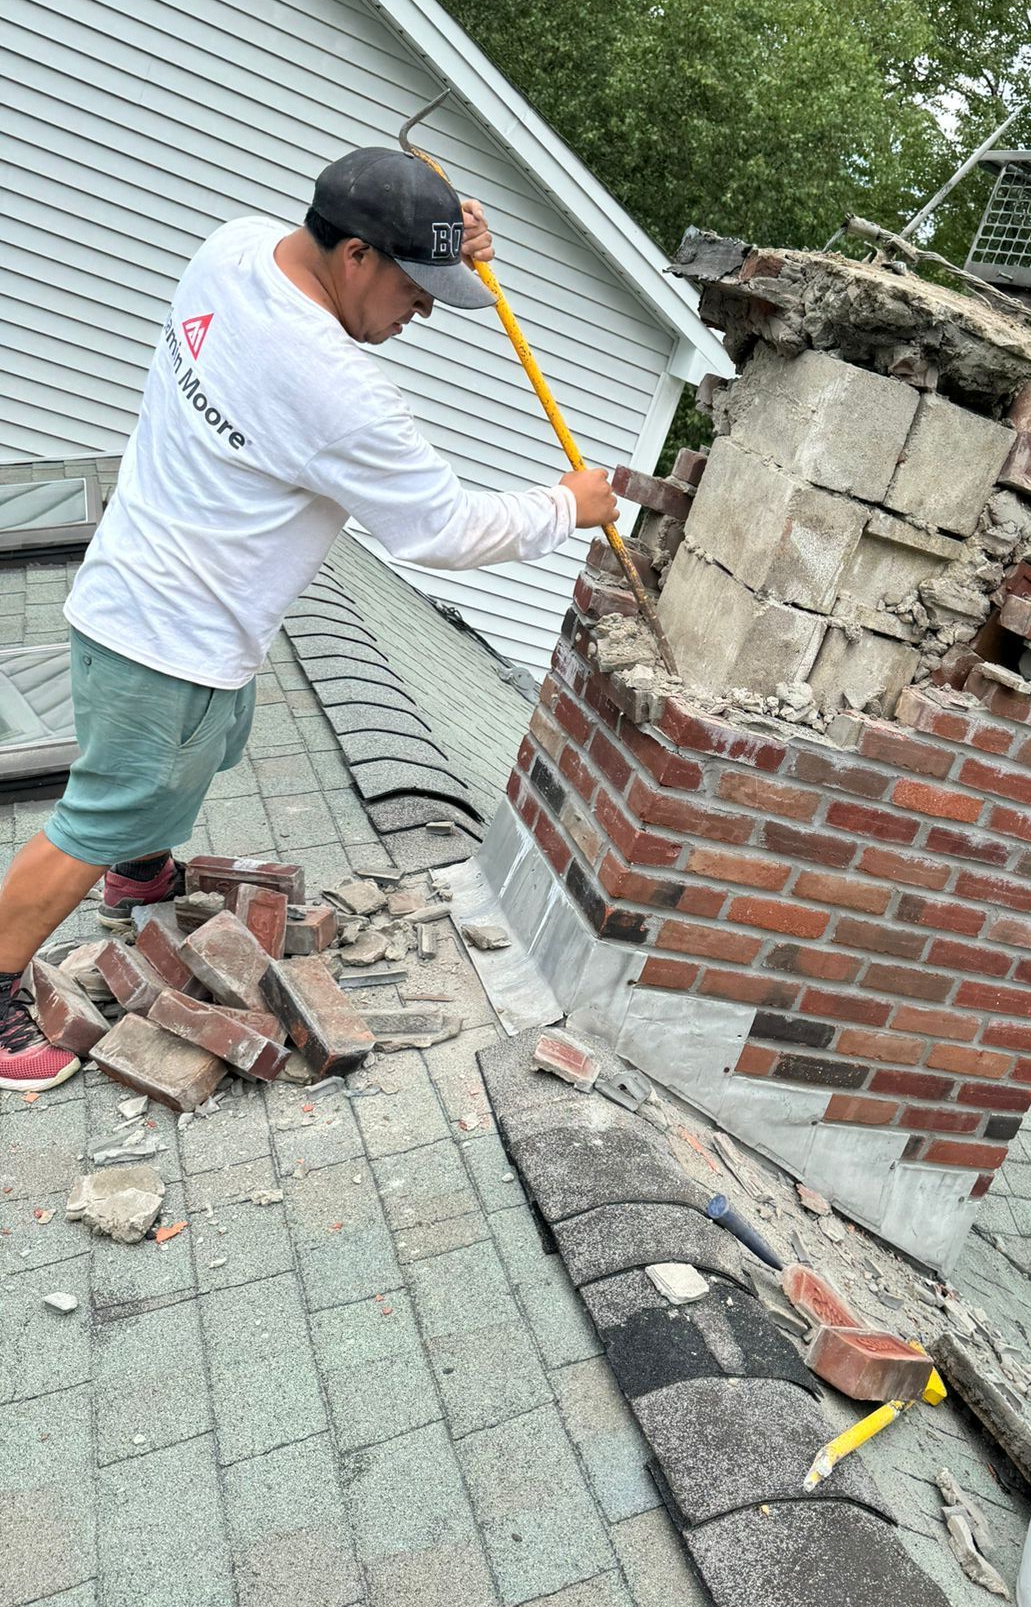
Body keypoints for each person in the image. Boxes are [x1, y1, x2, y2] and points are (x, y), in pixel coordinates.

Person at [0, 146, 618, 1090]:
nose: (421, 316)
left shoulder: (237, 246)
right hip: (170, 641)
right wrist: (566, 507)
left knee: (185, 764)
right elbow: (440, 529)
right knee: (103, 808)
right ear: (359, 256)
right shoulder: (336, 390)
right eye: (417, 289)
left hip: (127, 596)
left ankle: (139, 876)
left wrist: (448, 239)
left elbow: (380, 252)